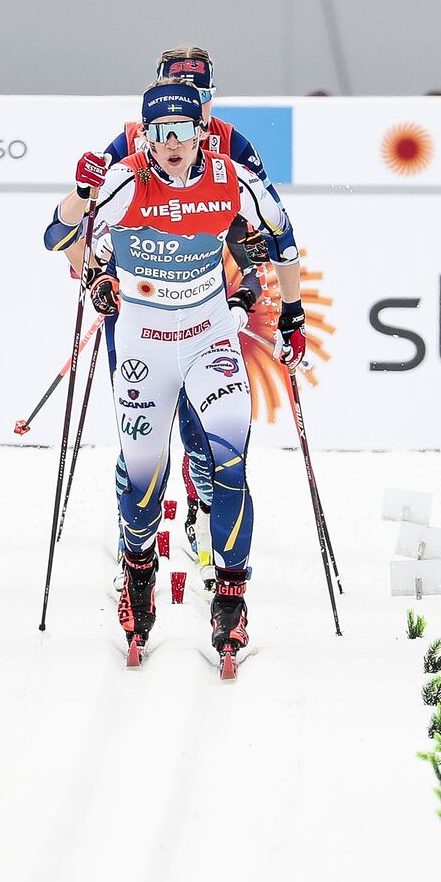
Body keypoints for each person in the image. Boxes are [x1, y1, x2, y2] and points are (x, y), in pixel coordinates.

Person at [43, 80, 304, 660]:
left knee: (231, 457)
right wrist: (80, 200)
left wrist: (292, 313)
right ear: (146, 135)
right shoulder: (121, 181)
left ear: (201, 134)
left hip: (209, 340)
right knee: (144, 480)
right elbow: (56, 236)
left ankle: (231, 601)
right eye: (160, 133)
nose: (172, 144)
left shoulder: (232, 179)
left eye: (184, 131)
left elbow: (283, 239)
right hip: (143, 345)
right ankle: (138, 572)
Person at [73, 46, 277, 601]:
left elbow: (259, 231)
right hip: (141, 294)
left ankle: (208, 514)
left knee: (210, 422)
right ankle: (135, 531)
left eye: (202, 100)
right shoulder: (133, 143)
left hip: (211, 286)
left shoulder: (234, 146)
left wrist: (255, 288)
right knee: (144, 424)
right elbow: (87, 222)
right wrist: (98, 273)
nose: (178, 137)